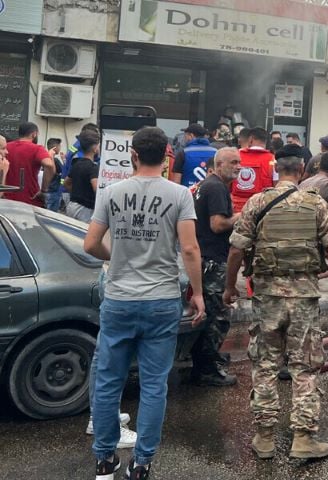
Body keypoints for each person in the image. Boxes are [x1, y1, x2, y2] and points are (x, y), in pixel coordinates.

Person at [84, 126, 205, 480]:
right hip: (161, 300)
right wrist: (197, 294)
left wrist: (115, 257)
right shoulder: (180, 194)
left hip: (120, 298)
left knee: (108, 381)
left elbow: (90, 244)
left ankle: (105, 459)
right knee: (154, 384)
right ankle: (142, 462)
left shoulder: (110, 192)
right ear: (168, 155)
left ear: (133, 155)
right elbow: (190, 248)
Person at [223, 143, 328, 461]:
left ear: (276, 170)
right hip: (303, 298)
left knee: (265, 366)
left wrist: (228, 289)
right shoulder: (315, 203)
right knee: (304, 368)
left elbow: (236, 250)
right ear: (302, 170)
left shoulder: (256, 202)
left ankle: (264, 438)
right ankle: (303, 440)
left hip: (267, 297)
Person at [190, 148, 242, 386]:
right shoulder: (217, 187)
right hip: (213, 260)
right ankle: (207, 369)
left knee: (209, 314)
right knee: (219, 317)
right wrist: (242, 215)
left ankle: (206, 357)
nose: (238, 167)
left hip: (205, 257)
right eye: (233, 162)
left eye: (239, 162)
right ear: (218, 165)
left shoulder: (207, 185)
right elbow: (218, 225)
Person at [4, 122, 55, 208]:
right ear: (34, 134)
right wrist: (43, 190)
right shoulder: (37, 148)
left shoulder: (6, 147)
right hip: (30, 199)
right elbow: (49, 165)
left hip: (7, 198)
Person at [232, 127, 275, 213]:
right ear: (266, 141)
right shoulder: (272, 160)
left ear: (250, 139)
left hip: (235, 209)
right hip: (260, 210)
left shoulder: (235, 155)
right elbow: (276, 186)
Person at [64, 130, 101, 223]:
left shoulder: (77, 163)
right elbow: (97, 189)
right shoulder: (93, 167)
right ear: (95, 148)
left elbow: (66, 183)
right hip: (85, 210)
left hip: (72, 205)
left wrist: (77, 193)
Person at [171, 123, 217, 187]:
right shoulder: (216, 152)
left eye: (185, 135)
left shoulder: (183, 153)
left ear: (191, 135)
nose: (184, 138)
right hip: (211, 193)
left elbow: (176, 182)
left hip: (188, 194)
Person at [44, 138, 64, 212]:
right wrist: (64, 160)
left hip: (46, 190)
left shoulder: (44, 158)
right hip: (54, 190)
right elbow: (64, 173)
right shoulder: (55, 160)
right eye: (59, 146)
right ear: (55, 147)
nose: (60, 148)